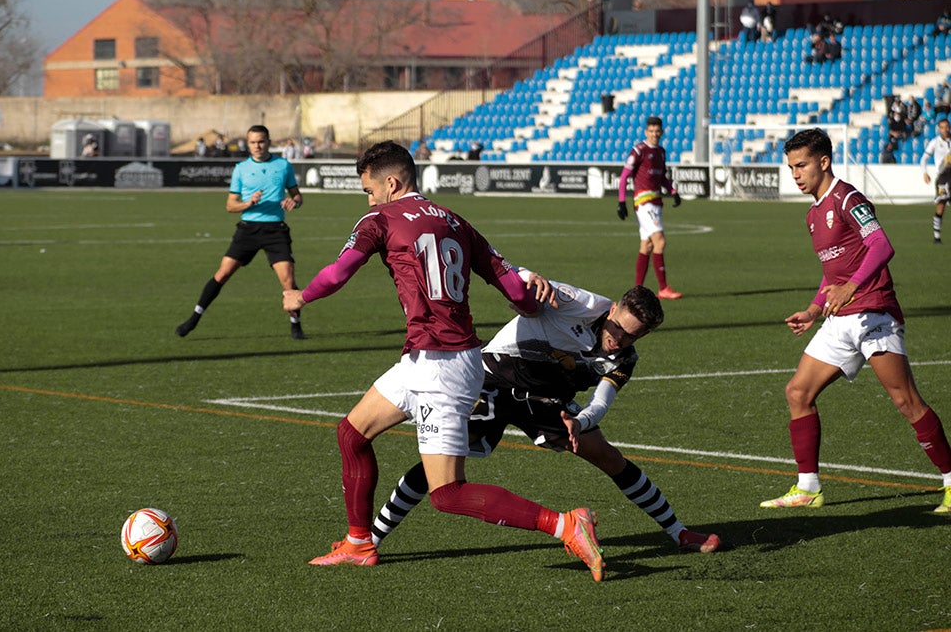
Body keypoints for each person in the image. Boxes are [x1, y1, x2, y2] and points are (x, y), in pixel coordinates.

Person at [281, 141, 606, 581]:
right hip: (430, 359)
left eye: (369, 189)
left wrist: (301, 295)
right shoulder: (456, 220)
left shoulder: (380, 219)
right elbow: (513, 288)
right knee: (351, 434)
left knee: (447, 493)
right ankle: (359, 543)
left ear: (391, 182)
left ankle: (565, 523)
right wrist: (534, 302)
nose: (369, 197)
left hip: (442, 366)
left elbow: (339, 272)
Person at [369, 283, 721, 554]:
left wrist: (579, 423)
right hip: (494, 379)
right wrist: (523, 285)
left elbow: (600, 401)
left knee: (608, 457)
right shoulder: (580, 304)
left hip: (546, 400)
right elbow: (526, 282)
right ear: (612, 308)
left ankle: (679, 533)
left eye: (633, 336)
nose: (619, 339)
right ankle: (371, 540)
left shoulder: (624, 359)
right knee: (442, 464)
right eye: (618, 328)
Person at [760, 128, 951, 512]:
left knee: (906, 401)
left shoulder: (848, 197)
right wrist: (815, 309)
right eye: (791, 167)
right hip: (839, 319)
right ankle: (808, 487)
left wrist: (852, 287)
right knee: (798, 393)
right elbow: (833, 274)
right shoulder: (813, 214)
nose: (795, 174)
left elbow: (882, 244)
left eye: (802, 165)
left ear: (824, 161)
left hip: (873, 313)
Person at [175, 124, 306, 339]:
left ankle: (296, 324)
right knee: (223, 273)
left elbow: (297, 195)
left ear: (269, 142)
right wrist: (248, 203)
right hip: (248, 229)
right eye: (253, 142)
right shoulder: (241, 168)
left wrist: (295, 202)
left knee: (288, 282)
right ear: (248, 143)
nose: (257, 146)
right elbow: (230, 205)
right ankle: (194, 318)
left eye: (261, 141)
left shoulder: (283, 165)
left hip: (275, 230)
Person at [616, 116, 683, 300]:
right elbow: (624, 177)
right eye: (651, 131)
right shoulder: (639, 150)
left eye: (657, 131)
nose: (654, 134)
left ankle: (637, 290)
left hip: (656, 201)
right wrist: (621, 202)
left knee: (647, 245)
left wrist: (672, 191)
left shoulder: (661, 152)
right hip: (644, 202)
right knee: (660, 241)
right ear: (646, 132)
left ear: (661, 132)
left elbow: (661, 177)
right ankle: (663, 288)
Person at [920, 116, 951, 244]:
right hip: (942, 177)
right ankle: (936, 237)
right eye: (942, 127)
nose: (945, 129)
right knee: (941, 205)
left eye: (947, 127)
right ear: (939, 129)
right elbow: (923, 159)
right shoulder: (935, 142)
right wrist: (925, 173)